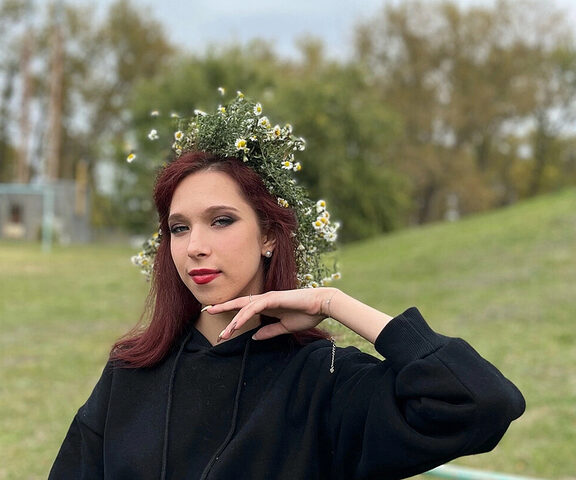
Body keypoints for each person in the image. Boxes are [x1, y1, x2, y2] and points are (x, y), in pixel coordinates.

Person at [49, 94, 525, 480]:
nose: (195, 246)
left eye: (221, 220)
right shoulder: (132, 372)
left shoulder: (323, 381)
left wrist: (331, 302)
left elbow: (480, 401)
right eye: (179, 228)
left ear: (270, 237)